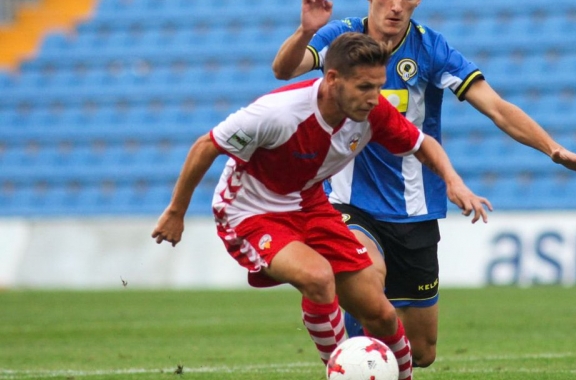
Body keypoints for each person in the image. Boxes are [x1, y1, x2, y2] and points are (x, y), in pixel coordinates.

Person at [272, 0, 576, 368]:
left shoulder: (431, 49)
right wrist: (305, 32)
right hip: (348, 201)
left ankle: (363, 353)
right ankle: (348, 359)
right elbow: (286, 69)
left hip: (414, 210)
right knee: (367, 278)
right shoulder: (340, 37)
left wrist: (553, 149)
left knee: (421, 351)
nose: (397, 7)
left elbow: (495, 107)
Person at [151, 32, 491, 380]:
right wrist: (176, 211)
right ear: (332, 79)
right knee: (317, 277)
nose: (375, 98)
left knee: (381, 313)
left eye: (378, 85)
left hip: (310, 205)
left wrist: (454, 181)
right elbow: (206, 145)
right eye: (364, 87)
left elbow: (423, 144)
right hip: (250, 211)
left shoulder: (373, 113)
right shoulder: (278, 113)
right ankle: (340, 372)